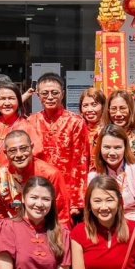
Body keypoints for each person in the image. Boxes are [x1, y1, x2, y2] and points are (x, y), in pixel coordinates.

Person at [27, 73, 88, 219]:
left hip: (66, 191)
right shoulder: (31, 121)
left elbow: (80, 162)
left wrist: (76, 200)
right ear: (38, 95)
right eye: (45, 93)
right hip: (39, 190)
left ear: (62, 94)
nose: (50, 97)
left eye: (54, 92)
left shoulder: (76, 122)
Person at [0, 130, 70, 224]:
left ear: (32, 147)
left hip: (44, 229)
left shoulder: (50, 174)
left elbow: (62, 214)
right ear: (5, 153)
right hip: (13, 229)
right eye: (12, 151)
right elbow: (1, 212)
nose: (19, 155)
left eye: (24, 148)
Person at [89, 125, 135, 228]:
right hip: (106, 226)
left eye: (117, 147)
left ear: (125, 147)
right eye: (107, 147)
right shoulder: (94, 175)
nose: (112, 153)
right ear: (100, 148)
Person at [0, 82, 42, 175]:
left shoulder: (26, 126)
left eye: (11, 98)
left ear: (19, 102)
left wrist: (3, 171)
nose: (7, 103)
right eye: (2, 99)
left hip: (17, 178)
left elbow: (36, 152)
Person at [79, 87, 107, 154]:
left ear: (103, 106)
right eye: (85, 105)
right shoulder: (77, 128)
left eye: (94, 105)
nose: (89, 110)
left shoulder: (108, 129)